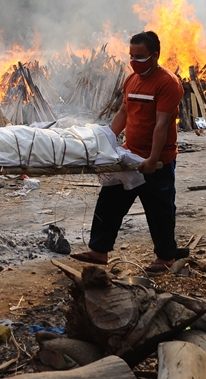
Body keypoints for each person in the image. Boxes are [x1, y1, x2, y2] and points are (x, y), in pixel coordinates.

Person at [71, 31, 186, 273]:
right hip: (128, 156)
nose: (134, 61)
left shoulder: (168, 83)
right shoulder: (132, 80)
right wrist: (108, 144)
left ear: (155, 56)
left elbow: (162, 124)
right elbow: (124, 113)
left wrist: (152, 159)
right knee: (109, 202)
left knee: (159, 210)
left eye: (140, 56)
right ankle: (99, 251)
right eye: (131, 55)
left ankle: (166, 258)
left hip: (157, 160)